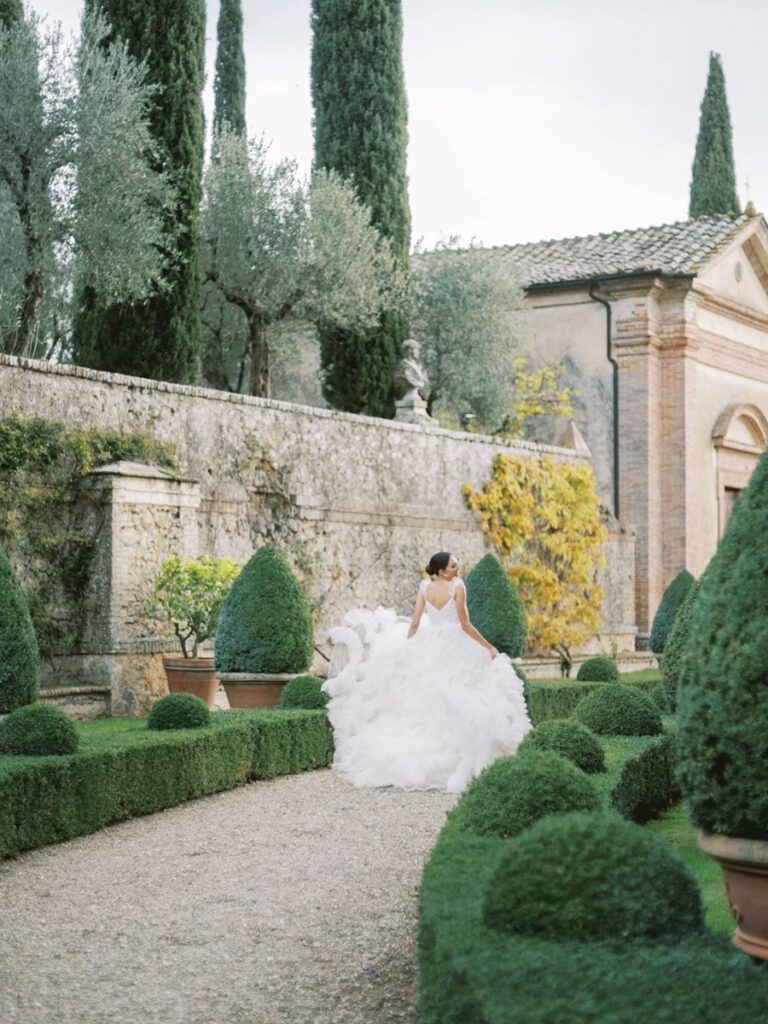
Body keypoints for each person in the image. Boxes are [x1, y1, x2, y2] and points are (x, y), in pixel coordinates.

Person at [322, 552, 531, 793]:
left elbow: (414, 623)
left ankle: (425, 751)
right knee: (461, 689)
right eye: (454, 565)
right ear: (443, 571)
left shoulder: (424, 588)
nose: (459, 568)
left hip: (430, 642)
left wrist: (407, 647)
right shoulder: (458, 587)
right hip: (454, 643)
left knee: (426, 696)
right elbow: (464, 624)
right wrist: (488, 646)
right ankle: (457, 752)